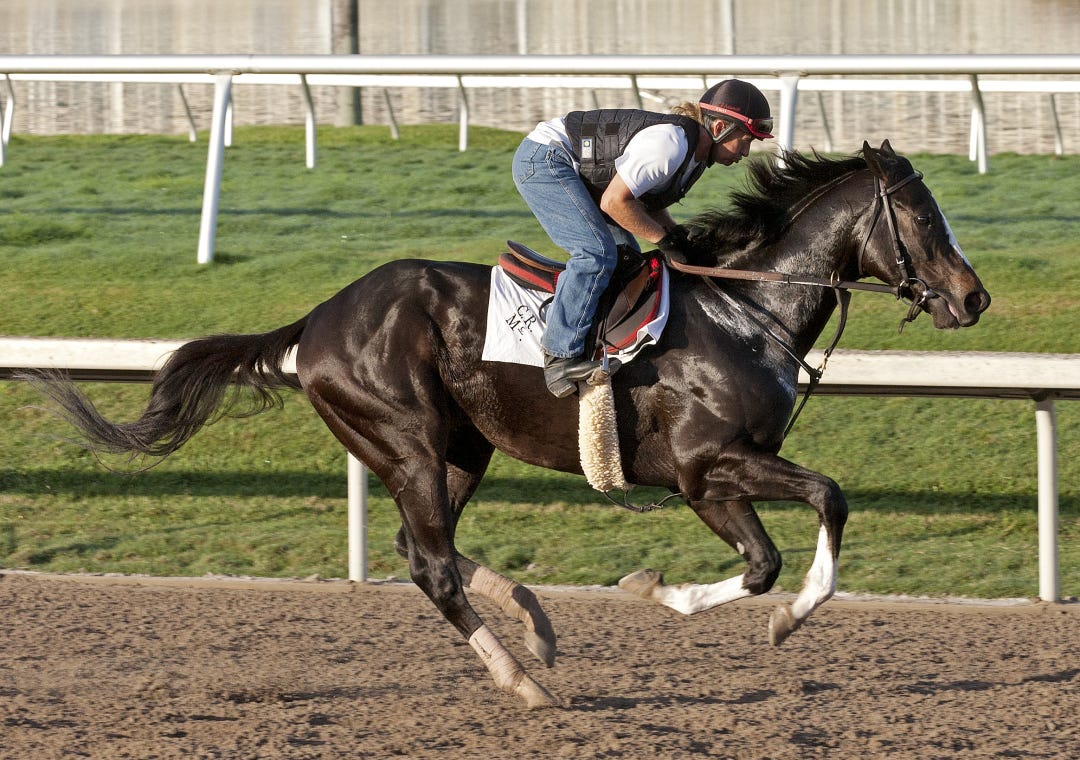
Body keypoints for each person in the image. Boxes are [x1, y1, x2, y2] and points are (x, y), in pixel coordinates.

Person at [512, 79, 775, 398]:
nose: (746, 152)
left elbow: (647, 200)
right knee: (595, 255)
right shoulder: (671, 145)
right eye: (746, 140)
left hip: (578, 172)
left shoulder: (695, 155)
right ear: (720, 127)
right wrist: (664, 240)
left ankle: (595, 342)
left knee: (628, 261)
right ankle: (559, 357)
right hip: (545, 159)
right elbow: (615, 202)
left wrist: (674, 233)